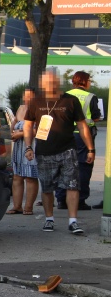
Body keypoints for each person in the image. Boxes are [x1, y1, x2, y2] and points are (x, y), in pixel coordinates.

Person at [24, 69, 95, 234]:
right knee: (47, 188)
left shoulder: (71, 101)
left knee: (72, 185)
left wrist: (90, 149)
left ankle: (73, 221)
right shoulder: (36, 102)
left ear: (58, 82)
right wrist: (29, 146)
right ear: (42, 84)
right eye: (47, 82)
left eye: (53, 81)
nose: (51, 85)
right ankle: (49, 219)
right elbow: (28, 124)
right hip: (44, 151)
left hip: (68, 150)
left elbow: (82, 126)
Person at [54, 71, 101, 211]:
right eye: (89, 80)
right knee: (83, 167)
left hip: (65, 134)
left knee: (64, 167)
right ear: (85, 81)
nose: (90, 83)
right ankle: (79, 200)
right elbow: (96, 117)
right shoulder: (90, 97)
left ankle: (62, 199)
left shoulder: (63, 95)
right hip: (83, 136)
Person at [6, 87, 39, 215]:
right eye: (25, 96)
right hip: (18, 148)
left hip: (32, 146)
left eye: (30, 96)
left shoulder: (38, 109)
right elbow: (13, 124)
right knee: (17, 177)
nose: (27, 98)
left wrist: (21, 134)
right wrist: (12, 133)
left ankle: (28, 207)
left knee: (30, 177)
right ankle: (17, 206)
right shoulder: (20, 108)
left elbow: (40, 130)